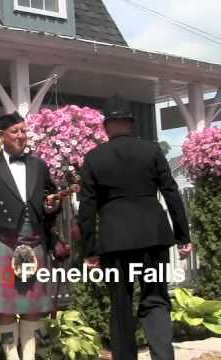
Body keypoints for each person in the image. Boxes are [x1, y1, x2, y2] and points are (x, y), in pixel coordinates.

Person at [77, 95, 192, 360]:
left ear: (106, 126)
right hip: (153, 237)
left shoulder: (94, 158)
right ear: (131, 123)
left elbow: (87, 208)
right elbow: (171, 193)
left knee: (120, 305)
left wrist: (90, 249)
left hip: (116, 242)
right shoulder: (151, 151)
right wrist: (183, 236)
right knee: (156, 299)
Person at [0, 112, 68, 360]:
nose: (21, 136)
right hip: (1, 242)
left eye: (24, 131)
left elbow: (50, 204)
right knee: (5, 307)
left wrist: (51, 206)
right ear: (1, 136)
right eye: (15, 131)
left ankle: (30, 355)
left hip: (34, 240)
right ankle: (12, 356)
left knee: (32, 306)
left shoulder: (39, 166)